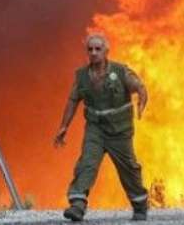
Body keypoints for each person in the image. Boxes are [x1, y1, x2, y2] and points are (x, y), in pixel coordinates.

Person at [54, 33, 149, 221]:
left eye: (98, 49)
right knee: (87, 164)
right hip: (95, 130)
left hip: (119, 131)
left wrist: (141, 98)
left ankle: (140, 205)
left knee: (129, 168)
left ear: (106, 51)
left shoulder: (120, 72)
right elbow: (73, 100)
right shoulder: (82, 77)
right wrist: (63, 127)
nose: (94, 52)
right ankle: (78, 205)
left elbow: (139, 86)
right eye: (90, 49)